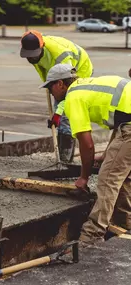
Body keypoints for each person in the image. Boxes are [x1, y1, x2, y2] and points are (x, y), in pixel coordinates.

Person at [40, 63, 131, 245]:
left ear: (60, 84)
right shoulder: (86, 85)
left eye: (50, 88)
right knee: (123, 175)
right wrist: (106, 155)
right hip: (126, 122)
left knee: (108, 178)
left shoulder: (74, 97)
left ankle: (92, 235)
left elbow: (86, 144)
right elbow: (120, 125)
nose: (51, 94)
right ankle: (124, 223)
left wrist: (83, 177)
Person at [20, 30, 93, 162]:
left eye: (34, 55)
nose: (31, 58)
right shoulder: (33, 55)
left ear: (41, 46)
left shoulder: (60, 55)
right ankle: (61, 155)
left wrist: (59, 113)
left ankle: (65, 160)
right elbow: (44, 72)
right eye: (29, 56)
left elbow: (68, 91)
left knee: (67, 116)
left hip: (79, 71)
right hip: (59, 75)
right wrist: (49, 86)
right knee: (60, 114)